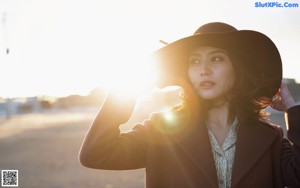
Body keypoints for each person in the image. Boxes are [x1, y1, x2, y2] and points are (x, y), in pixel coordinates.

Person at [79, 22, 300, 188]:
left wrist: (293, 110)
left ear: (238, 70)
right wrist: (128, 91)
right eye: (194, 61)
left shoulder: (271, 138)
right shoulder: (161, 131)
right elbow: (96, 153)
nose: (203, 69)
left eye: (216, 58)